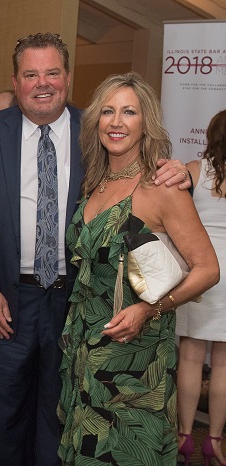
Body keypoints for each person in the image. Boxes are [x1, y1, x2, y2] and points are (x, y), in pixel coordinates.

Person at [0, 33, 193, 466]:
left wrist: (184, 173)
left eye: (52, 73)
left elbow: (143, 172)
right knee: (3, 418)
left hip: (80, 305)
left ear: (67, 78)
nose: (42, 83)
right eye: (31, 74)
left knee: (65, 415)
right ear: (15, 80)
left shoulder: (97, 128)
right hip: (7, 302)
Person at [57, 71, 219, 464]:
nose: (116, 122)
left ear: (146, 123)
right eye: (107, 111)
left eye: (129, 112)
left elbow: (208, 269)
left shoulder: (161, 187)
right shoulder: (94, 182)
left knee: (126, 453)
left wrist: (149, 309)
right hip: (86, 344)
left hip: (135, 356)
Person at [176, 109, 226, 466]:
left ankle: (183, 436)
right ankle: (214, 440)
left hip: (201, 271)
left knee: (191, 357)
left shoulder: (194, 170)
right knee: (224, 364)